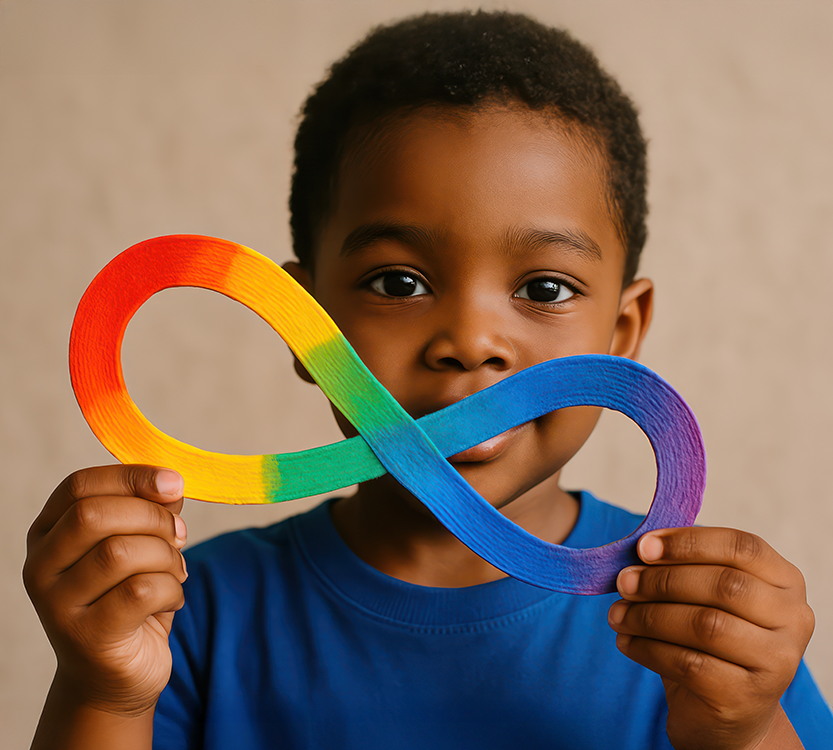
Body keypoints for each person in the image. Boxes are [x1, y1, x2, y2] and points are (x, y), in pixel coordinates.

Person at [24, 11, 833, 750]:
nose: (469, 343)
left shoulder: (705, 632)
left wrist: (742, 729)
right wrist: (105, 693)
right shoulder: (190, 618)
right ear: (300, 321)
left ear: (621, 335)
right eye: (398, 283)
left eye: (543, 289)